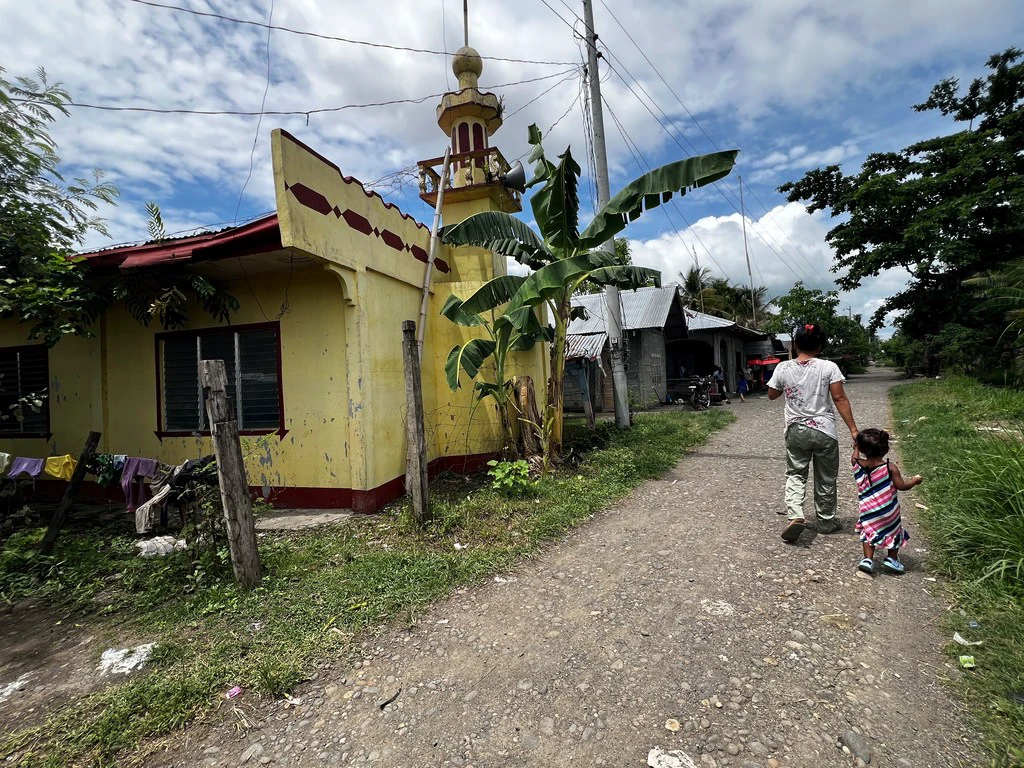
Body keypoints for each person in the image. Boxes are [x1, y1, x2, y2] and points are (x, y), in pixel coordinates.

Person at [767, 323, 858, 543]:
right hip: (825, 431)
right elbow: (839, 398)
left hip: (796, 430)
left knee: (796, 473)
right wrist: (853, 429)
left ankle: (796, 514)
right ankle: (826, 521)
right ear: (820, 346)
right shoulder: (829, 367)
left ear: (795, 344)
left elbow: (772, 394)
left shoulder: (783, 368)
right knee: (826, 477)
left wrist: (785, 384)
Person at [852, 428, 922, 575]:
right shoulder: (890, 468)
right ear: (886, 449)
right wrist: (915, 480)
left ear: (863, 449)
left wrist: (856, 447)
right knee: (894, 533)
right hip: (889, 511)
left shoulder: (858, 465)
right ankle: (891, 559)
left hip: (868, 511)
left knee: (868, 533)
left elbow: (854, 458)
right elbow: (902, 486)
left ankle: (868, 560)